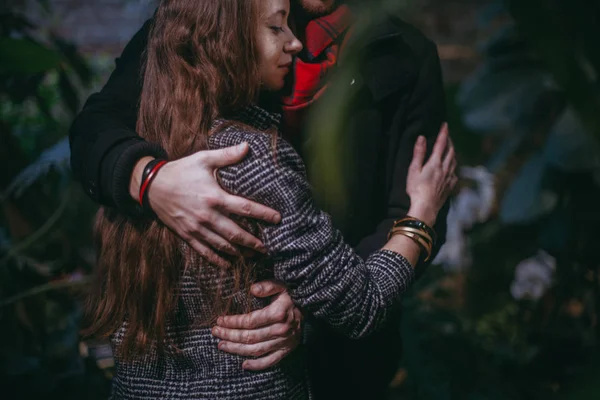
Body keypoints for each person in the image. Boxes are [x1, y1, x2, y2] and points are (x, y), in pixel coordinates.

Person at [70, 0, 453, 398]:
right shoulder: (217, 16)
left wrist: (310, 308)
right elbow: (94, 130)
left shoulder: (404, 52)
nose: (294, 43)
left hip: (342, 361)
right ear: (221, 42)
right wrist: (151, 180)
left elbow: (407, 196)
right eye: (277, 28)